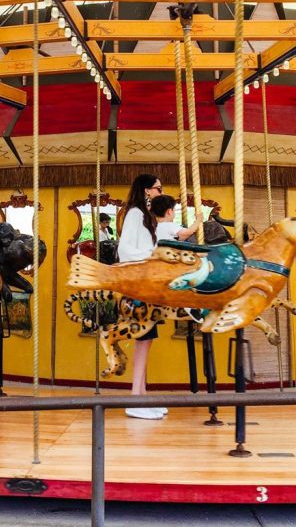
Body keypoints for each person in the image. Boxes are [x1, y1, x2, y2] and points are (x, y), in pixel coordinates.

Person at [118, 173, 167, 420]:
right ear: (147, 191)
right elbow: (124, 249)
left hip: (148, 282)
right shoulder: (135, 214)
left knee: (147, 340)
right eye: (158, 188)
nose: (161, 191)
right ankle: (135, 400)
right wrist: (152, 254)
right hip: (139, 283)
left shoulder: (146, 216)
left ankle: (142, 395)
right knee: (143, 339)